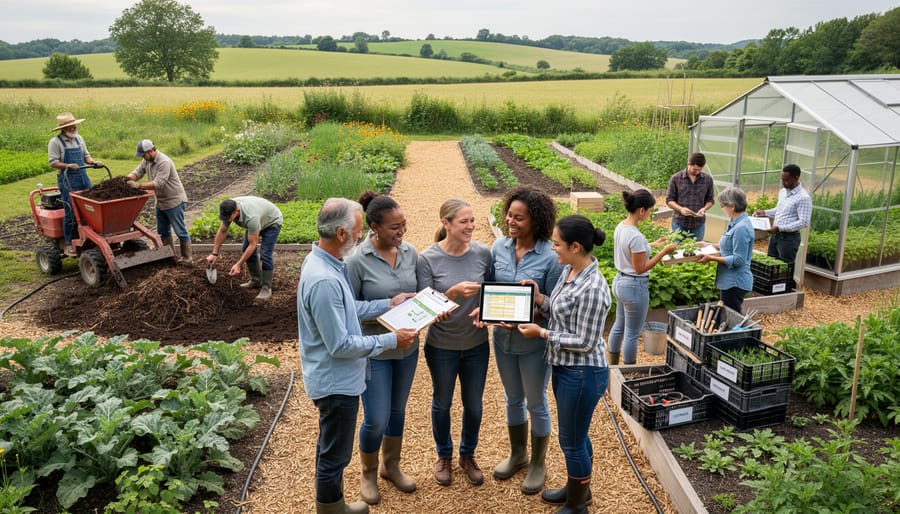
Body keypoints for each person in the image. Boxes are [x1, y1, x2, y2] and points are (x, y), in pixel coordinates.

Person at [297, 197, 418, 514]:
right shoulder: (325, 280)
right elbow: (340, 345)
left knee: (331, 450)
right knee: (334, 456)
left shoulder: (324, 263)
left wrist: (388, 303)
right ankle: (331, 510)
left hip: (336, 376)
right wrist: (392, 339)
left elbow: (349, 309)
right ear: (341, 233)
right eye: (357, 230)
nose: (361, 235)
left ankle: (334, 505)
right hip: (335, 380)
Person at [516, 215, 612, 514]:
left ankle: (577, 505)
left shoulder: (593, 288)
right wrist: (539, 297)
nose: (553, 248)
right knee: (577, 436)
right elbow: (560, 311)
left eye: (557, 244)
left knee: (571, 442)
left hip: (583, 372)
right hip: (566, 367)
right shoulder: (570, 271)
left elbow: (585, 342)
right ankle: (580, 490)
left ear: (575, 246)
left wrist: (541, 333)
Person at [486, 186, 562, 495]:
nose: (510, 221)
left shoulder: (551, 257)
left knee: (536, 402)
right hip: (502, 338)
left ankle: (538, 463)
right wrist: (488, 312)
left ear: (536, 221)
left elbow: (555, 306)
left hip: (533, 343)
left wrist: (534, 314)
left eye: (519, 218)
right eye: (509, 215)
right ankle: (518, 454)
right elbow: (490, 288)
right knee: (512, 398)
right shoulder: (499, 247)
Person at [345, 192, 419, 505]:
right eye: (394, 227)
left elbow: (418, 294)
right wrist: (387, 304)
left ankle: (392, 466)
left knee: (397, 411)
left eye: (404, 224)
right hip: (376, 348)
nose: (401, 231)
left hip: (407, 348)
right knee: (376, 417)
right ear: (374, 227)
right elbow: (350, 308)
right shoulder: (356, 261)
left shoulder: (410, 253)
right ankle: (368, 472)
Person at [417, 198, 492, 487]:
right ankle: (444, 455)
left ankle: (467, 455)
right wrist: (452, 293)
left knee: (474, 405)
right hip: (441, 346)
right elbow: (423, 307)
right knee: (442, 402)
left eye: (472, 220)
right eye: (464, 222)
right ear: (445, 224)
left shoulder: (483, 254)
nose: (471, 226)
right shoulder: (427, 259)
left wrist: (486, 313)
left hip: (476, 345)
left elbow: (491, 293)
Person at [607, 190, 677, 365]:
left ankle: (612, 366)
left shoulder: (622, 226)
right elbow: (640, 268)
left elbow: (631, 249)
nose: (650, 213)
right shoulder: (636, 236)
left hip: (619, 282)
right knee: (632, 333)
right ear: (641, 210)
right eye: (650, 210)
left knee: (619, 325)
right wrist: (663, 252)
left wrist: (652, 245)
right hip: (634, 286)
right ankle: (628, 371)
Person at [47, 112, 104, 257]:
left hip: (83, 177)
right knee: (71, 211)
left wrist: (93, 162)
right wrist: (67, 165)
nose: (75, 128)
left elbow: (86, 156)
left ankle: (90, 237)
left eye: (75, 125)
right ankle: (68, 243)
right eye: (71, 126)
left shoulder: (79, 139)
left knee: (92, 206)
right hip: (67, 179)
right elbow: (53, 162)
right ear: (64, 128)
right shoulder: (55, 142)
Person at [125, 139, 191, 263]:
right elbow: (138, 172)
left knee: (180, 231)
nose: (143, 157)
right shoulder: (147, 160)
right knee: (163, 232)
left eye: (143, 154)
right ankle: (170, 257)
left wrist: (138, 186)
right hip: (160, 202)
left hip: (174, 201)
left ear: (151, 151)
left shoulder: (164, 162)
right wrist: (125, 179)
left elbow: (159, 183)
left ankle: (187, 258)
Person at [206, 196, 283, 300]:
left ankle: (266, 287)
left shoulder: (251, 218)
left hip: (272, 221)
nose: (227, 220)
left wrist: (238, 265)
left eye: (229, 217)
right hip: (258, 216)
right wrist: (214, 253)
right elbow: (223, 231)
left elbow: (253, 244)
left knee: (265, 254)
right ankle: (256, 280)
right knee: (245, 248)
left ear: (237, 212)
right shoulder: (229, 208)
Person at [697, 187, 754, 313]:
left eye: (722, 205)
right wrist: (708, 245)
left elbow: (738, 259)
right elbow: (729, 246)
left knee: (732, 317)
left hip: (735, 282)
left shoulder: (741, 228)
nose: (722, 208)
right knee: (728, 315)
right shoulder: (736, 222)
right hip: (729, 280)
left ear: (732, 206)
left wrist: (712, 258)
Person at [754, 163, 813, 265]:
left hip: (789, 239)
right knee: (770, 265)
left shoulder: (803, 198)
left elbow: (804, 222)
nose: (783, 182)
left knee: (784, 268)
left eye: (786, 180)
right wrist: (764, 213)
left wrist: (780, 228)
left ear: (796, 178)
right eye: (782, 179)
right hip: (775, 236)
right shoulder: (783, 192)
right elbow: (779, 210)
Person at [666, 152, 715, 241]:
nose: (697, 172)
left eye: (700, 170)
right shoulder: (676, 178)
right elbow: (669, 200)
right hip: (679, 222)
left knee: (696, 248)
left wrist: (704, 209)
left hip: (698, 224)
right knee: (676, 248)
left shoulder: (707, 179)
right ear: (689, 164)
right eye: (695, 169)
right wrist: (681, 209)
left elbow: (710, 200)